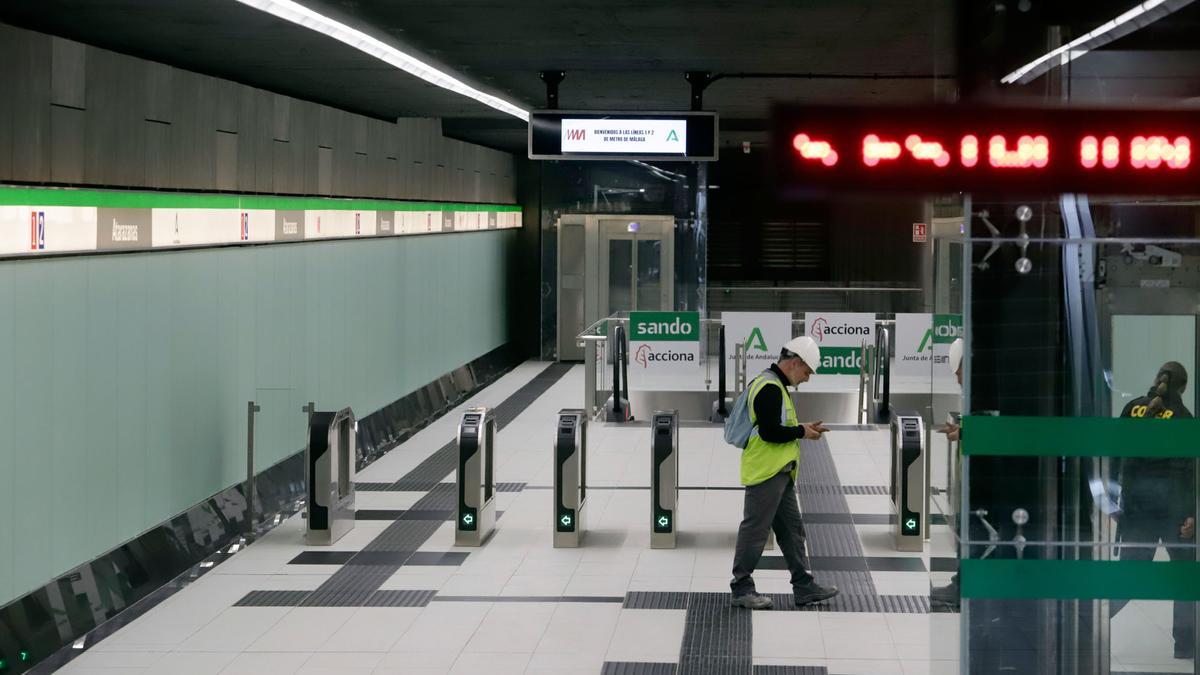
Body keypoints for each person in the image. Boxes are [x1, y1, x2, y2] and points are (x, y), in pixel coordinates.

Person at [730, 336, 839, 609]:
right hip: (766, 472)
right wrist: (801, 431)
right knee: (755, 532)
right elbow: (769, 432)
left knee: (792, 531)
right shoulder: (769, 387)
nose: (807, 378)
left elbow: (775, 425)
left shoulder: (776, 385)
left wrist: (802, 427)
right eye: (807, 371)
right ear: (794, 363)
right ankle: (741, 588)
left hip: (781, 472)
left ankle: (804, 586)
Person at [1111, 361, 1195, 660]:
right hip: (1174, 513)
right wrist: (1191, 516)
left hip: (1136, 512)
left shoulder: (1132, 408)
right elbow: (1187, 473)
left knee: (1128, 579)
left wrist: (1112, 502)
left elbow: (1113, 454)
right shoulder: (1185, 418)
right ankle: (1185, 646)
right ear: (1183, 387)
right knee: (1184, 579)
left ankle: (1089, 626)